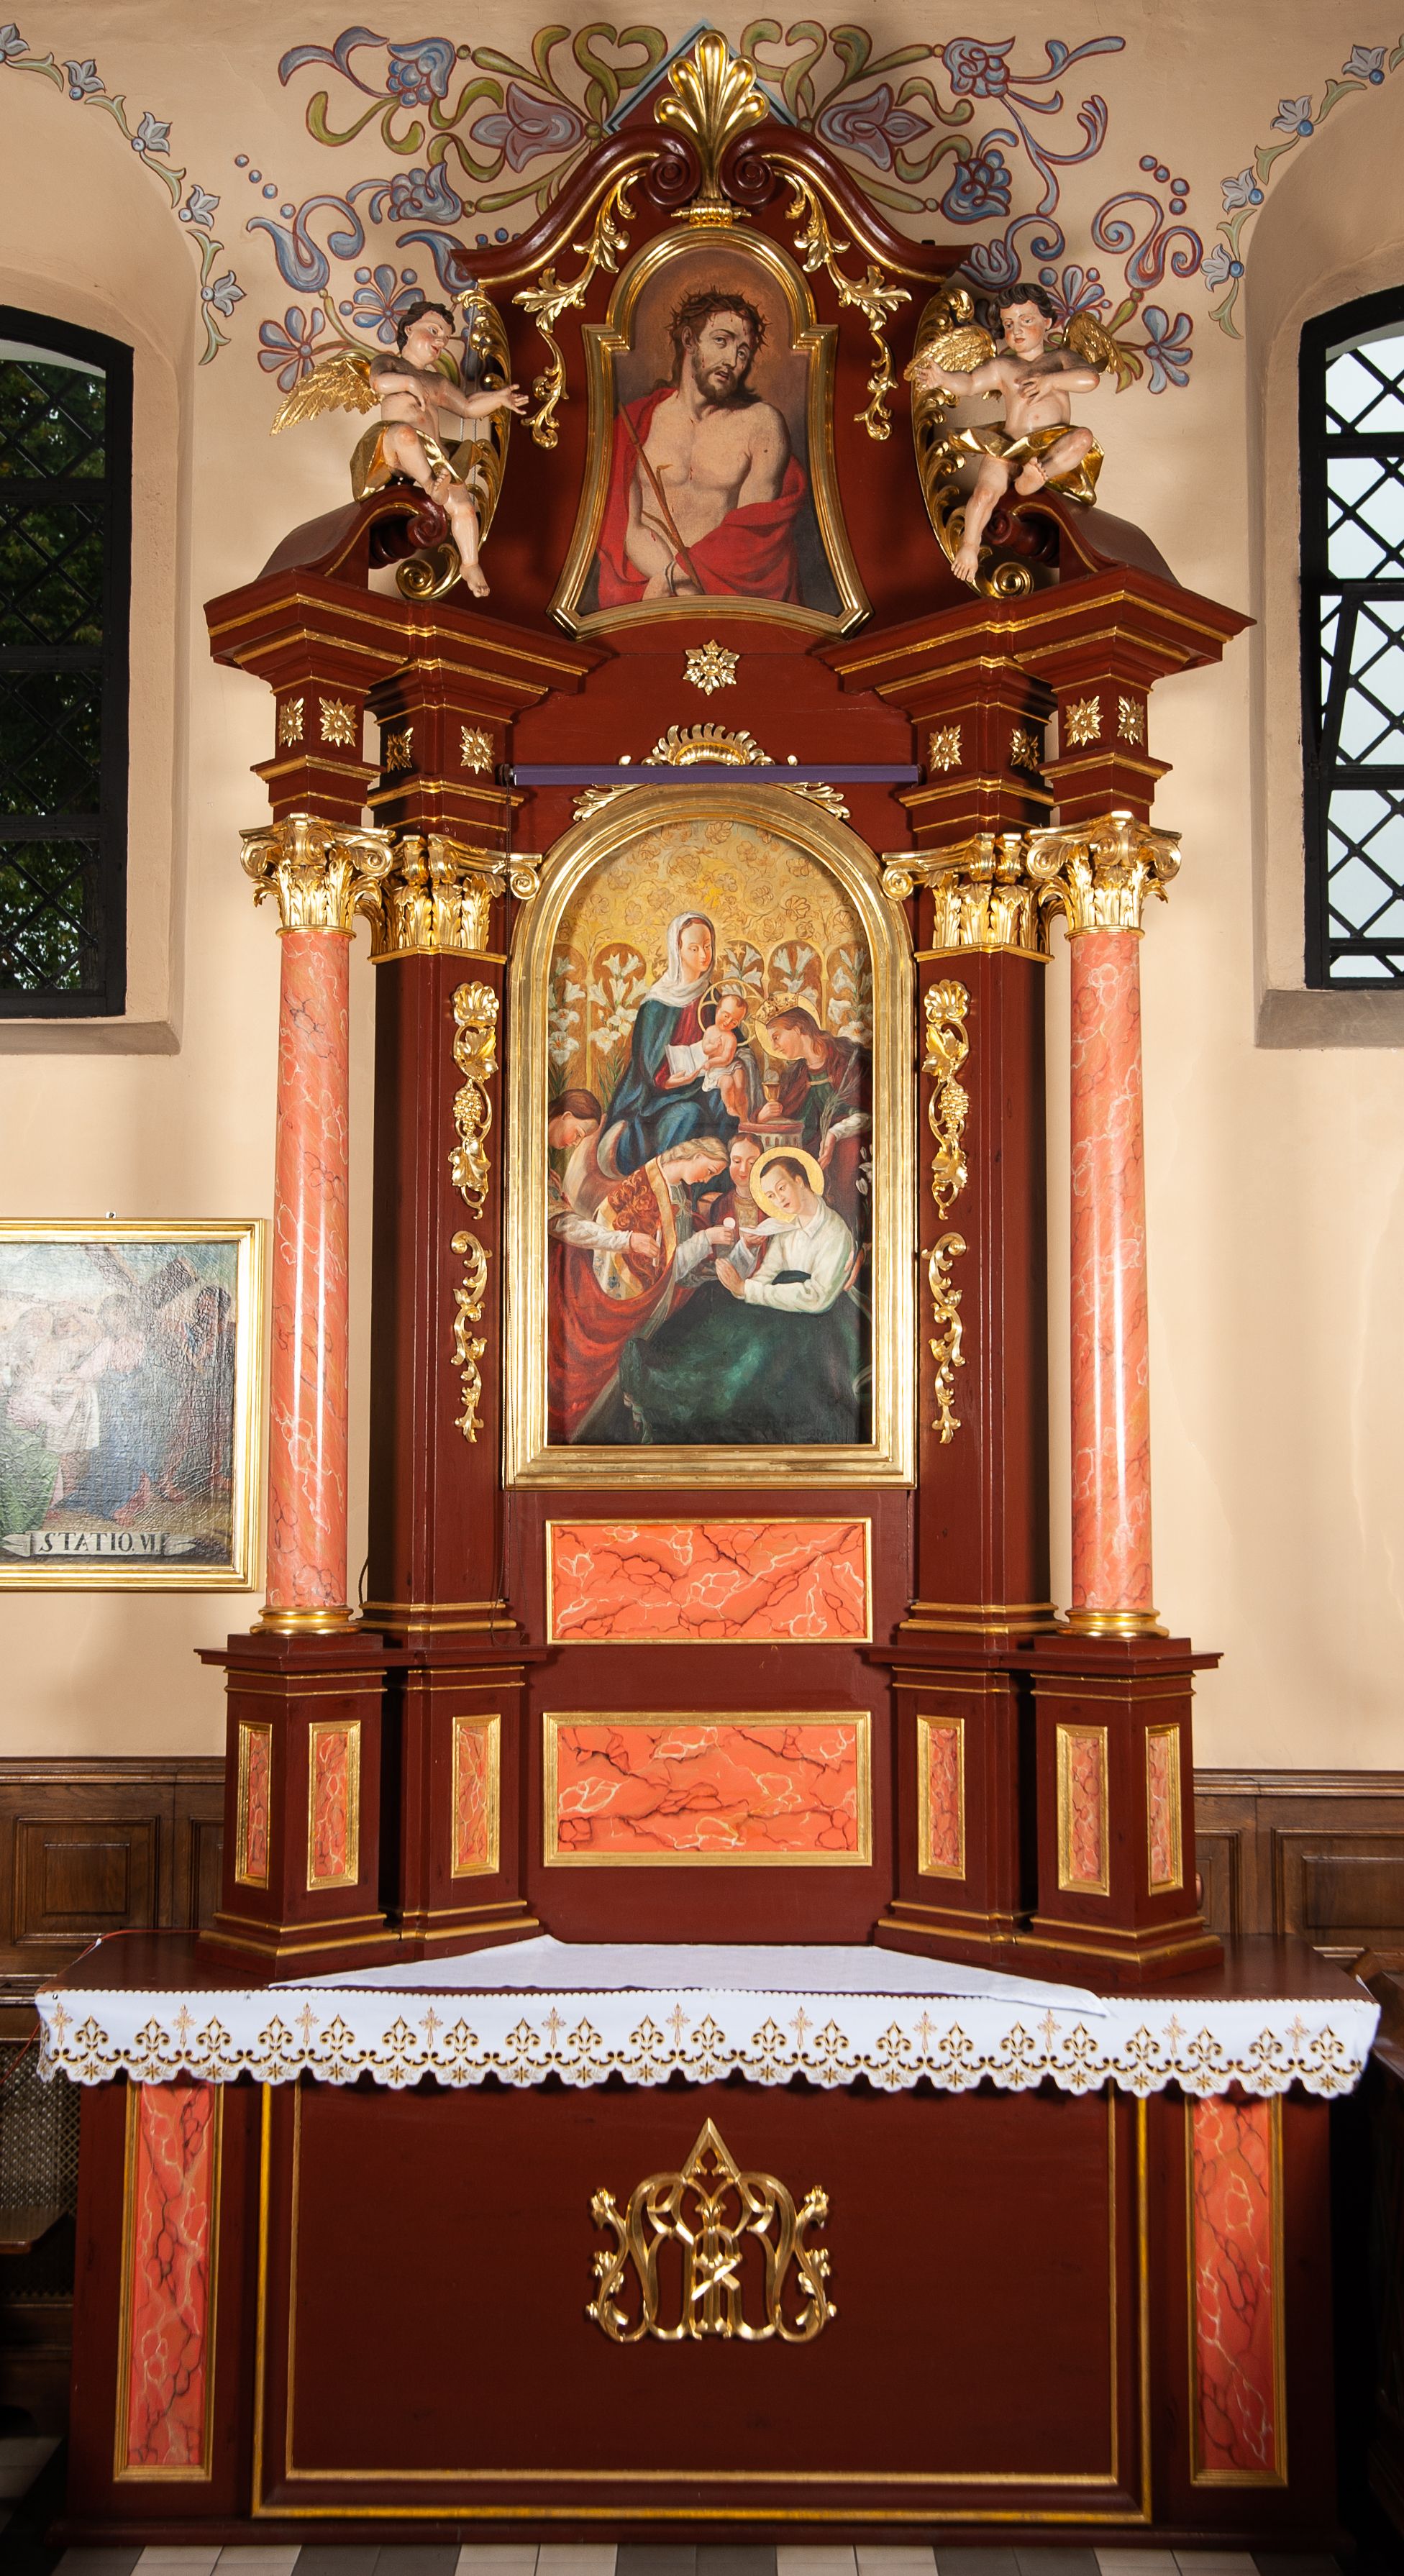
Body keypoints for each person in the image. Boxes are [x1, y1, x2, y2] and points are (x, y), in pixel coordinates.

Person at [619, 1151, 867, 1447]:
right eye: (771, 1196)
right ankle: (664, 1384)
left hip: (815, 1326)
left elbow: (818, 1298)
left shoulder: (835, 1232)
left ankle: (684, 1400)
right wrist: (743, 1285)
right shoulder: (785, 1229)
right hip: (777, 1308)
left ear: (801, 1180)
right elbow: (767, 1273)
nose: (779, 1200)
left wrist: (747, 1290)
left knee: (752, 1357)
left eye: (782, 1188)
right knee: (724, 1329)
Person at [595, 290, 806, 606]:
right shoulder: (634, 423)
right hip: (649, 594)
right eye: (722, 341)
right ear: (689, 340)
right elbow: (628, 527)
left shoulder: (761, 424)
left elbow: (751, 533)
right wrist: (678, 593)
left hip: (726, 594)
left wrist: (672, 579)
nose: (732, 361)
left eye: (743, 352)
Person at [906, 280, 1103, 585]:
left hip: (1049, 446)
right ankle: (970, 546)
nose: (1017, 330)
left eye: (1026, 321)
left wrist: (1050, 381)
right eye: (1009, 324)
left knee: (1083, 439)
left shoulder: (1059, 360)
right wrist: (943, 378)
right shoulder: (1003, 366)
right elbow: (970, 383)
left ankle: (1037, 476)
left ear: (1047, 322)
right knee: (985, 491)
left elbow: (1090, 379)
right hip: (1009, 445)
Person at [548, 1134, 732, 1441]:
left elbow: (671, 1265)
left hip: (655, 1309)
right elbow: (662, 1271)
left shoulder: (678, 1188)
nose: (707, 1179)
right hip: (622, 1310)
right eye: (710, 1170)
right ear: (695, 1155)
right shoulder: (645, 1195)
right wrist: (706, 1240)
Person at [368, 300, 527, 597]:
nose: (440, 341)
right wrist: (409, 383)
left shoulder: (436, 381)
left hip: (433, 453)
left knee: (464, 507)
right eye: (433, 330)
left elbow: (466, 407)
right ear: (408, 329)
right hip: (395, 447)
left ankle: (470, 563)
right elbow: (378, 383)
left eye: (445, 337)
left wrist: (499, 399)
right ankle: (431, 486)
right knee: (406, 435)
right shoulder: (390, 363)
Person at [597, 914, 738, 1179]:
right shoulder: (657, 1003)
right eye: (694, 948)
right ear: (678, 950)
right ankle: (666, 1184)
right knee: (687, 1115)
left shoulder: (714, 998)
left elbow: (737, 1044)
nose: (703, 955)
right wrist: (667, 1081)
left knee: (724, 1104)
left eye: (707, 946)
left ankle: (712, 1190)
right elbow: (646, 1066)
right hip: (657, 1100)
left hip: (702, 1086)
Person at [757, 1005, 871, 1235]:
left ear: (798, 1029)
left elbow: (871, 1111)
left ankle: (852, 1233)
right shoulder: (795, 1075)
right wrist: (763, 1116)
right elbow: (789, 1117)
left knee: (848, 1151)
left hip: (850, 1145)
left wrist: (834, 1133)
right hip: (811, 1151)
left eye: (777, 1037)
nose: (775, 1047)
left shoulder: (848, 1058)